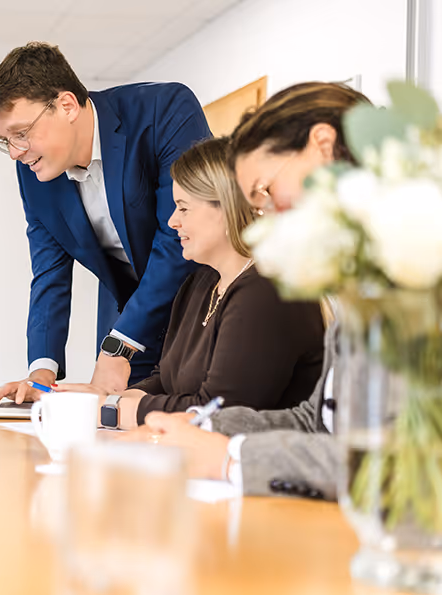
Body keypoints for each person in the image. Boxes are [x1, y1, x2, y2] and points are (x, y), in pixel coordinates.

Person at [132, 82, 370, 500]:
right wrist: (199, 429)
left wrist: (230, 457)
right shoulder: (354, 283)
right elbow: (315, 421)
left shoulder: (410, 278)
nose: (265, 211)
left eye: (265, 188)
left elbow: (387, 460)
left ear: (323, 146)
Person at [0, 42, 212, 405]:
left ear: (67, 106)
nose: (15, 153)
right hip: (124, 311)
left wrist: (120, 344)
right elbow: (49, 272)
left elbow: (176, 238)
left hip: (199, 305)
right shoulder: (34, 173)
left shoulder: (164, 111)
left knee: (188, 418)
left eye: (21, 134)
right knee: (112, 418)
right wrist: (41, 374)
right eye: (4, 141)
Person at [57, 138, 325, 428]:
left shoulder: (268, 290)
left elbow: (217, 412)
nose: (172, 221)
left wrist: (111, 410)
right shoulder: (200, 283)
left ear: (227, 208)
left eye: (184, 208)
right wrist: (104, 398)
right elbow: (168, 379)